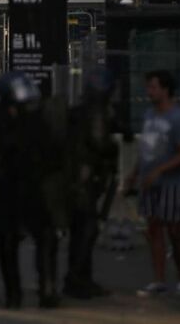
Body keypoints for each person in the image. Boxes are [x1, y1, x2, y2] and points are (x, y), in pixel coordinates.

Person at [0, 71, 66, 309]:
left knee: (21, 240)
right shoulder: (21, 121)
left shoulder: (23, 120)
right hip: (22, 187)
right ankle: (39, 290)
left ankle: (20, 294)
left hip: (22, 188)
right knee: (31, 239)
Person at [124, 70, 180, 297]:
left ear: (165, 89)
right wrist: (134, 173)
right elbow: (146, 149)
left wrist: (161, 170)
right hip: (149, 182)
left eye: (153, 87)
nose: (149, 92)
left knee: (174, 231)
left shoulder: (178, 117)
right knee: (153, 230)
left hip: (172, 183)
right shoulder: (150, 114)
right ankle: (159, 279)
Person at [64, 69, 119, 299]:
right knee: (87, 230)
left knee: (81, 230)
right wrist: (113, 147)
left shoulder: (79, 111)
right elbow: (99, 144)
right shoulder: (96, 112)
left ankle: (80, 279)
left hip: (77, 180)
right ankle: (77, 279)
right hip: (86, 181)